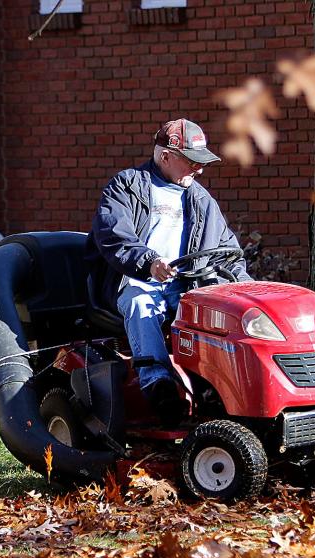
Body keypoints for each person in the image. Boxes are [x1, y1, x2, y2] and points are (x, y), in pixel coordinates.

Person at [86, 118, 251, 416]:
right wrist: (149, 263)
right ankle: (157, 386)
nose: (199, 169)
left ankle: (213, 392)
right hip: (134, 281)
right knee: (141, 304)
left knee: (212, 312)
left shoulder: (201, 199)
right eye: (192, 162)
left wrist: (247, 289)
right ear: (165, 156)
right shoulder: (126, 186)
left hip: (184, 286)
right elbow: (113, 236)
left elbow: (227, 252)